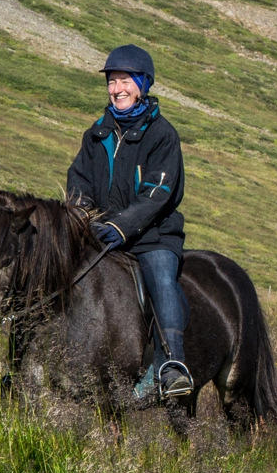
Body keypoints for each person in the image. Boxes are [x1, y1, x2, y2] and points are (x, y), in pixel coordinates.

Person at [66, 44, 193, 398]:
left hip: (152, 236)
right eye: (111, 81)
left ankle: (172, 365)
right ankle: (25, 364)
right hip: (100, 233)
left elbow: (157, 192)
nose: (117, 89)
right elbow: (79, 180)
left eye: (125, 81)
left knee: (162, 280)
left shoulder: (163, 135)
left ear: (143, 84)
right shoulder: (96, 133)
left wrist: (120, 227)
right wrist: (80, 218)